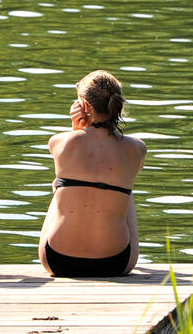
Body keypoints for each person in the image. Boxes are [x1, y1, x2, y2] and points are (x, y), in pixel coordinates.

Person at [38, 70, 147, 278]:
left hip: (58, 260)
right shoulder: (137, 148)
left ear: (84, 107)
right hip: (116, 262)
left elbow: (75, 157)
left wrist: (75, 131)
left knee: (61, 185)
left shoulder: (59, 142)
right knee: (124, 187)